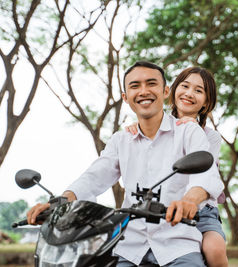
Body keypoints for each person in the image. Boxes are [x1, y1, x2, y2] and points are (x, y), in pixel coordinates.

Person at [26, 61, 224, 266]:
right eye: (135, 86)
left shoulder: (189, 131)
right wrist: (62, 200)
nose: (144, 91)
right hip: (131, 246)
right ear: (125, 97)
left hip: (178, 243)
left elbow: (206, 174)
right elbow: (95, 176)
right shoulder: (121, 139)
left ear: (165, 91)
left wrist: (189, 200)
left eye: (151, 84)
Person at [126, 67, 228, 267]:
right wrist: (137, 128)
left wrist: (191, 127)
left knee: (214, 250)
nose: (189, 93)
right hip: (164, 207)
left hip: (201, 210)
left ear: (206, 102)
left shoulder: (210, 136)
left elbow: (205, 171)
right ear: (172, 90)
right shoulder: (157, 127)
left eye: (199, 91)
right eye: (185, 86)